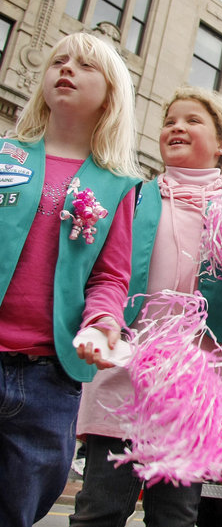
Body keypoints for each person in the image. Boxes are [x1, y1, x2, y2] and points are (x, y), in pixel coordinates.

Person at [70, 87, 222, 527]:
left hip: (196, 386)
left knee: (175, 516)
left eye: (192, 120)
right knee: (99, 508)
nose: (177, 127)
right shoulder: (134, 196)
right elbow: (103, 275)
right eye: (170, 121)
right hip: (126, 373)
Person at [0, 31, 141, 526]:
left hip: (49, 377)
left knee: (20, 506)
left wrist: (103, 323)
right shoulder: (5, 154)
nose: (66, 69)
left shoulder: (119, 185)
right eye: (58, 60)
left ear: (111, 94)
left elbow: (110, 274)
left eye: (84, 65)